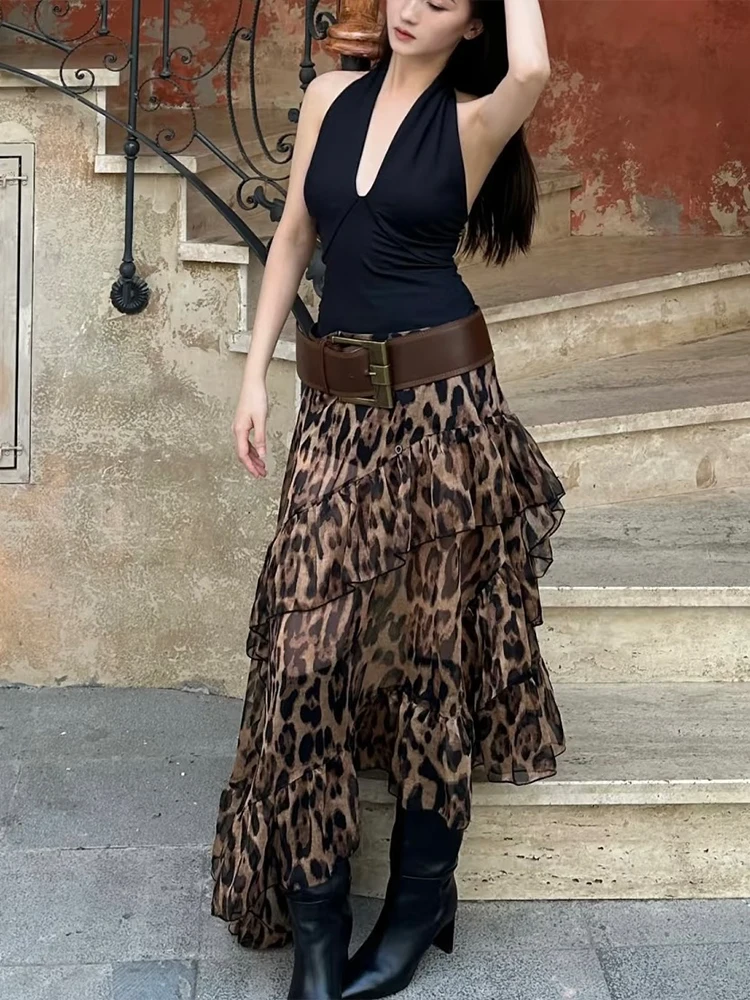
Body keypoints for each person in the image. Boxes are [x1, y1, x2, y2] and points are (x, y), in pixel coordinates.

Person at [211, 1, 567, 998]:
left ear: (473, 25)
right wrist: (254, 375)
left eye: (443, 0)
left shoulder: (474, 122)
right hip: (333, 412)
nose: (411, 8)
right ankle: (318, 921)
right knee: (305, 659)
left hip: (444, 415)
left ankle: (416, 906)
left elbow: (534, 70)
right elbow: (293, 237)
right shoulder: (330, 96)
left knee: (432, 658)